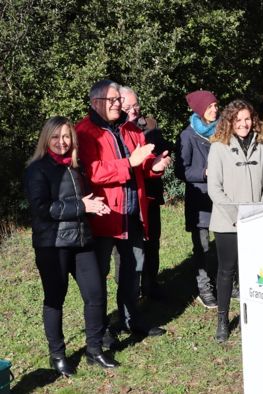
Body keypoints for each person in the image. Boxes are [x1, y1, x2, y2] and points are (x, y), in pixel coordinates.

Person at [25, 117, 119, 375]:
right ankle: (57, 355)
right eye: (55, 137)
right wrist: (81, 206)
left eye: (66, 136)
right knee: (55, 299)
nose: (61, 142)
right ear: (46, 139)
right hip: (52, 244)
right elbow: (41, 209)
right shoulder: (37, 169)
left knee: (96, 294)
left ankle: (94, 349)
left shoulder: (77, 167)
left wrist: (91, 205)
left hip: (81, 240)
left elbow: (80, 201)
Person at [77, 79, 170, 340]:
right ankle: (101, 328)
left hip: (133, 214)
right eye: (114, 100)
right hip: (104, 217)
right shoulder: (84, 132)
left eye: (119, 99)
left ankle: (131, 319)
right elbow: (93, 172)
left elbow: (143, 163)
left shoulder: (130, 129)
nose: (120, 104)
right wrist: (129, 162)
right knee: (99, 277)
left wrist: (154, 166)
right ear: (96, 103)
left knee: (132, 270)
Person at [207, 100, 263, 342]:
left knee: (252, 271)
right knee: (227, 271)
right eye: (238, 120)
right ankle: (223, 319)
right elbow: (215, 189)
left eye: (247, 119)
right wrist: (238, 216)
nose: (244, 124)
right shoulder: (219, 148)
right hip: (228, 223)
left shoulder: (261, 146)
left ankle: (251, 314)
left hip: (256, 220)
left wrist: (260, 211)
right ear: (230, 122)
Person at [118, 86, 170, 300]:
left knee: (152, 243)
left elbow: (161, 150)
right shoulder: (115, 132)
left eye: (135, 105)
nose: (133, 110)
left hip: (150, 194)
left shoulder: (150, 125)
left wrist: (161, 161)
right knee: (127, 251)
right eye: (127, 107)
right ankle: (132, 291)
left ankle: (151, 284)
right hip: (128, 197)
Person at [175, 90, 219, 309]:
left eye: (215, 106)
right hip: (200, 200)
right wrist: (204, 173)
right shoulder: (187, 136)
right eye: (210, 107)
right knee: (202, 246)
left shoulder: (222, 132)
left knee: (223, 243)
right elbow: (180, 171)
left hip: (221, 199)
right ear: (200, 110)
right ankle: (204, 288)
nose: (215, 110)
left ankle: (226, 282)